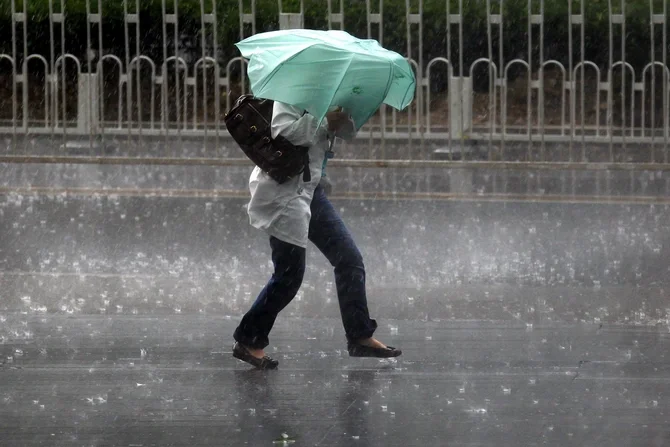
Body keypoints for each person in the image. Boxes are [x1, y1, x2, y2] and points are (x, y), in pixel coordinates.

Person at [232, 101, 402, 370]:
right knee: (288, 276)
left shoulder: (328, 92)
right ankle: (249, 339)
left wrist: (342, 119)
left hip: (311, 191)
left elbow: (342, 134)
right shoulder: (290, 91)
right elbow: (282, 131)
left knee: (349, 260)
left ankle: (360, 335)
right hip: (284, 191)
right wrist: (324, 122)